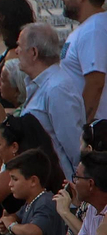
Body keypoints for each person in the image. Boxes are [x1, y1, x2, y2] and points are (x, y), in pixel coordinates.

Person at [16, 22, 85, 177]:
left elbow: (74, 147)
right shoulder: (41, 86)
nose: (16, 51)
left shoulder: (57, 88)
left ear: (33, 52)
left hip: (61, 187)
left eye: (20, 46)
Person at [60, 0, 107, 120]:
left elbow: (95, 82)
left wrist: (82, 127)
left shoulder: (93, 29)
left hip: (95, 129)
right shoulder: (89, 27)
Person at [0, 149, 67, 235]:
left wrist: (11, 226)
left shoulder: (46, 202)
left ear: (33, 181)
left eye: (15, 179)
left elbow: (34, 231)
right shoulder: (31, 201)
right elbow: (16, 216)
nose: (10, 184)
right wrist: (6, 222)